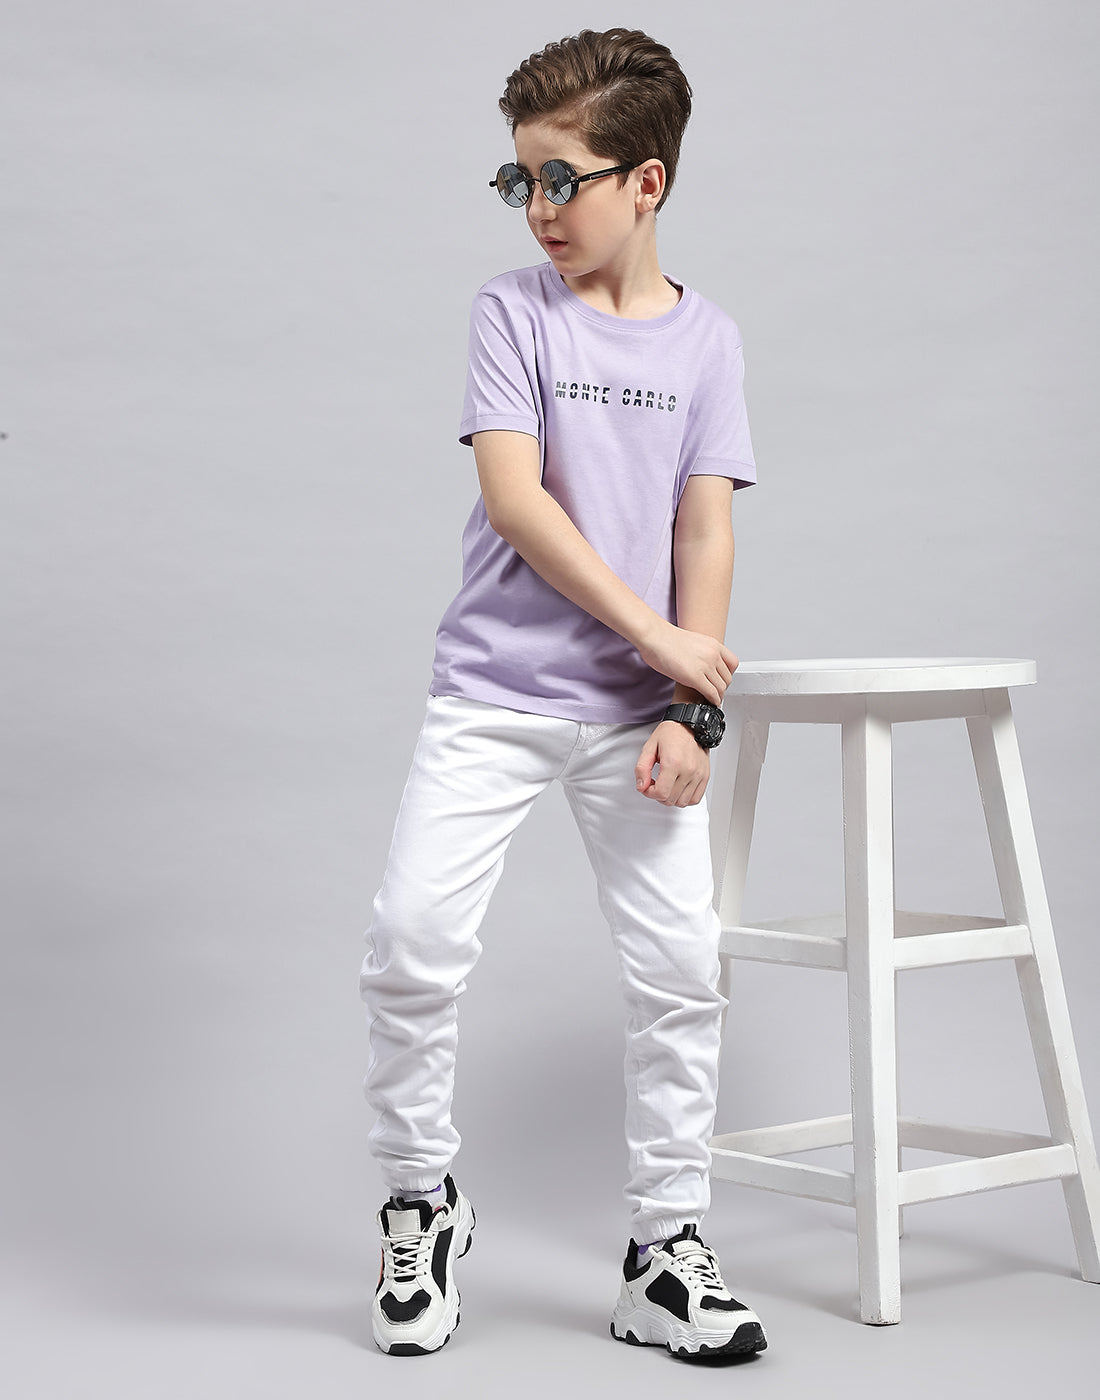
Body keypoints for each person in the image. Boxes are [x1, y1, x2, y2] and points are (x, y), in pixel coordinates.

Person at [360, 28, 766, 1360]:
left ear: (646, 183)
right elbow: (516, 501)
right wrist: (660, 638)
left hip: (636, 718)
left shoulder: (709, 342)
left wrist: (690, 708)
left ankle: (665, 1252)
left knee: (680, 974)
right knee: (412, 943)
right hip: (493, 692)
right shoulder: (513, 312)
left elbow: (705, 527)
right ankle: (420, 1201)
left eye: (562, 179)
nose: (537, 208)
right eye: (519, 180)